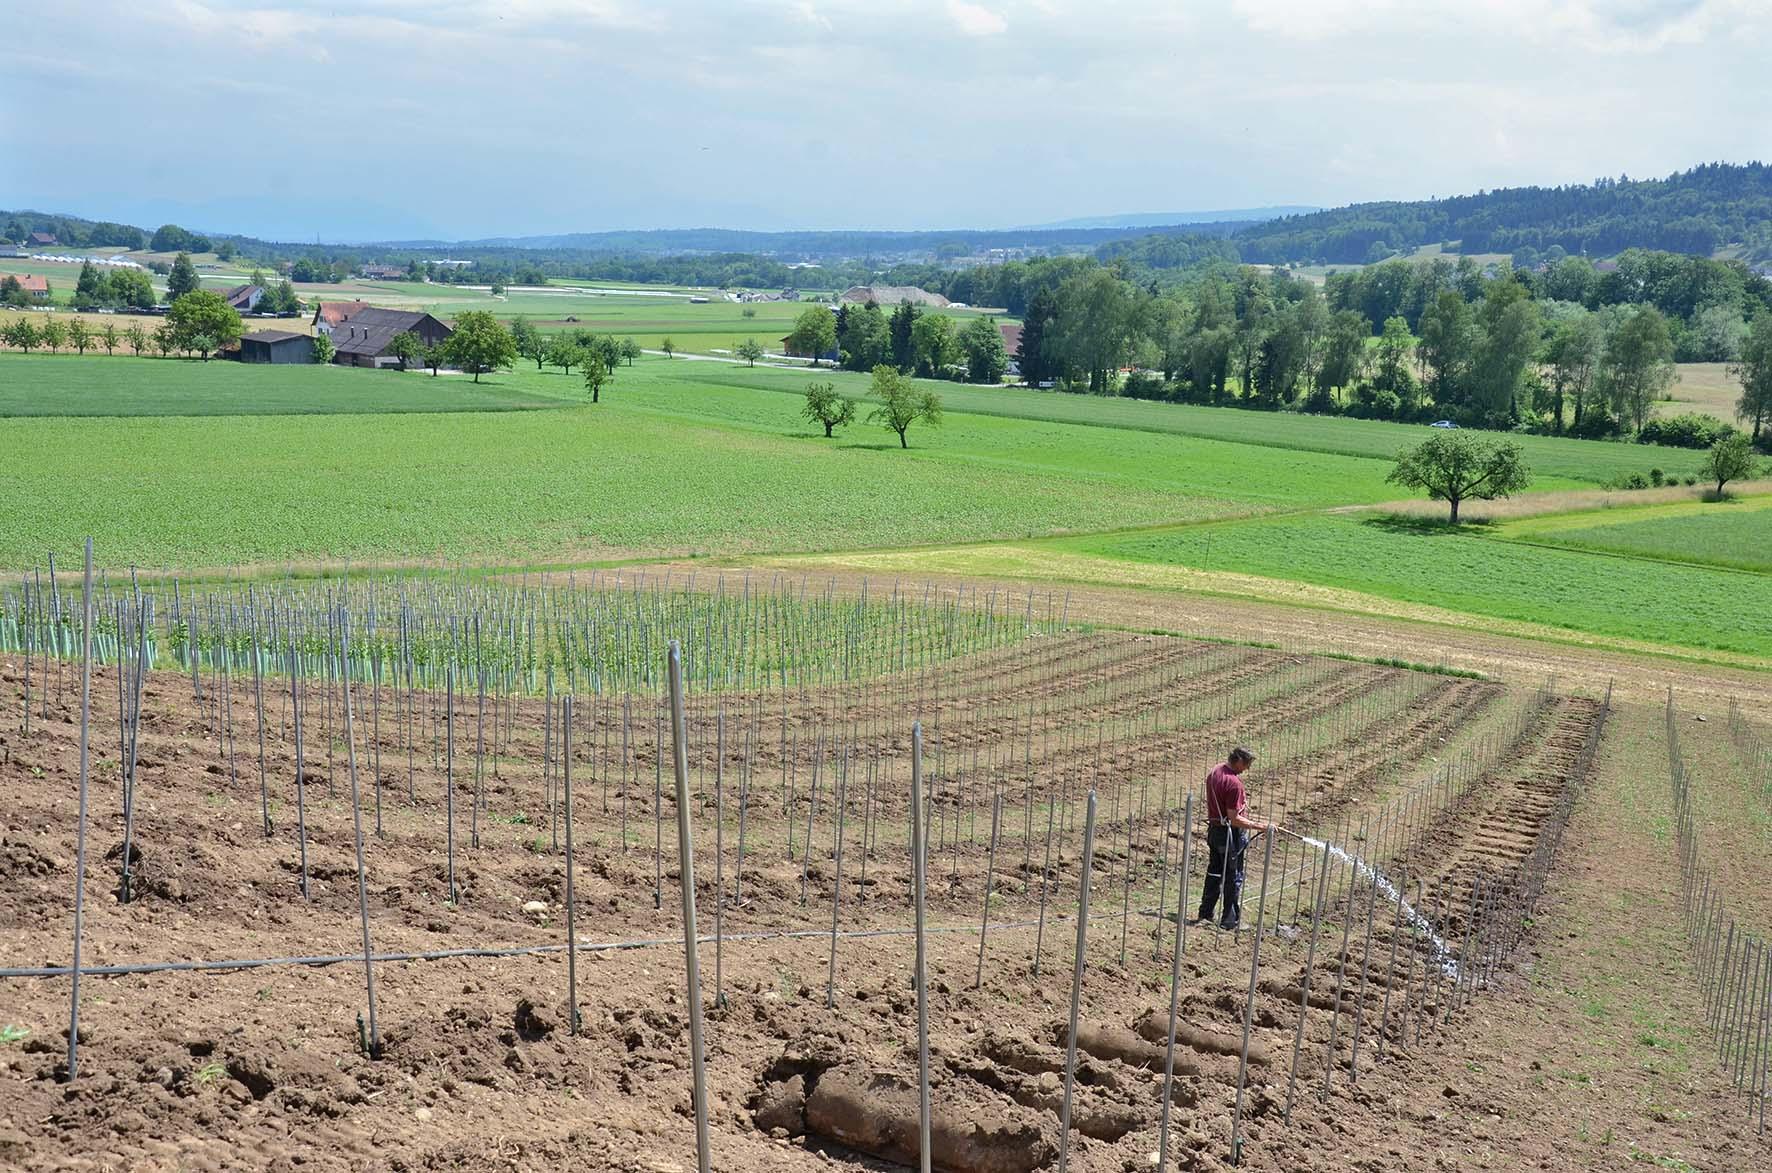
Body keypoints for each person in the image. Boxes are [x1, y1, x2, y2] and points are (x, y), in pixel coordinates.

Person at [1195, 747, 1272, 931]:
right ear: (1238, 760)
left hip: (1214, 831)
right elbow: (1234, 818)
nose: (1246, 769)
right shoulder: (1233, 783)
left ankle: (1205, 913)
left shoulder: (1215, 772)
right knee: (1233, 876)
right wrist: (1261, 826)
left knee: (1214, 873)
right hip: (1229, 836)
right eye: (1246, 764)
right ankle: (1230, 921)